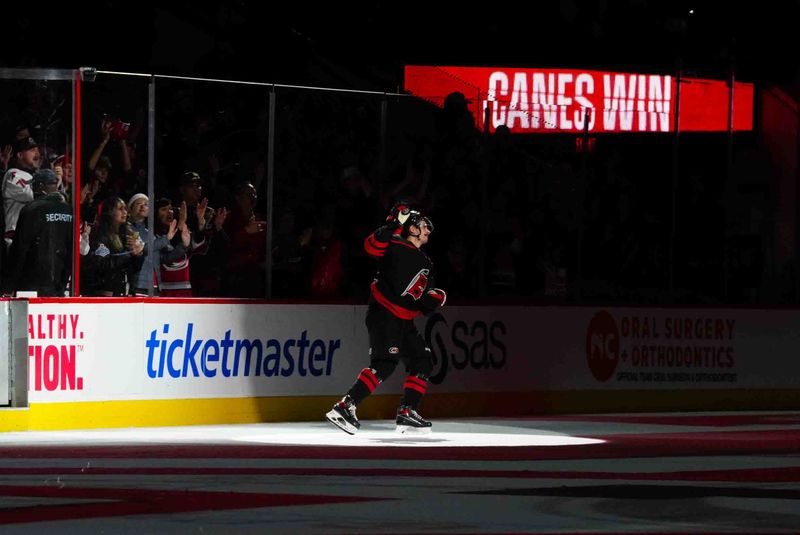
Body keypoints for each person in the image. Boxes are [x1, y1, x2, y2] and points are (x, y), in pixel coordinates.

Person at [325, 203, 446, 435]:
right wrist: (391, 225)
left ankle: (407, 411)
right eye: (422, 226)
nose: (427, 229)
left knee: (423, 362)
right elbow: (371, 245)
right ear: (411, 229)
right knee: (384, 364)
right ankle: (344, 406)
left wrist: (434, 298)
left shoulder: (426, 262)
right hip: (385, 314)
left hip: (404, 320)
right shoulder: (393, 245)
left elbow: (422, 298)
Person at [2, 169, 72, 296]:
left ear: (41, 186)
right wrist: (63, 284)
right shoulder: (69, 210)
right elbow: (71, 251)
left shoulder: (31, 209)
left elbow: (19, 250)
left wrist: (8, 286)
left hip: (30, 284)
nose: (32, 188)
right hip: (57, 285)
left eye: (33, 185)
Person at [2, 136, 42, 249]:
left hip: (30, 240)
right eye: (32, 150)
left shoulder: (33, 176)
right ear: (20, 155)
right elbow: (34, 196)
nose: (37, 154)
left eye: (38, 150)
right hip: (15, 241)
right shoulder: (13, 174)